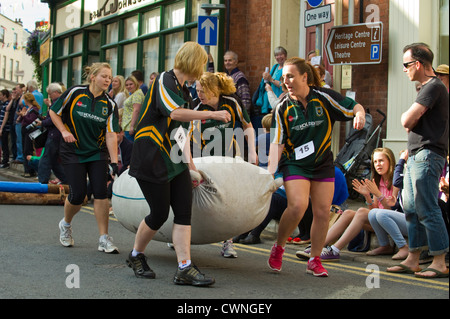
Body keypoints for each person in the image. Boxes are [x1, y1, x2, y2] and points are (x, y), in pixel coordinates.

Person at [126, 42, 231, 286]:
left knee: (184, 212)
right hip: (151, 157)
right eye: (202, 62)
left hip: (174, 160)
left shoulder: (185, 91)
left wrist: (192, 168)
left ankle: (184, 267)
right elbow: (174, 114)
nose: (203, 68)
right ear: (194, 62)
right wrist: (212, 114)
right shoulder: (165, 80)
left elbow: (181, 135)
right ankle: (135, 255)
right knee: (160, 213)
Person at [267, 57, 366, 277]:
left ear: (305, 77)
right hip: (295, 164)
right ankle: (279, 247)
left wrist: (359, 114)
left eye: (290, 76)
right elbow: (278, 142)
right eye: (284, 78)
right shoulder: (283, 106)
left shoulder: (323, 97)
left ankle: (315, 259)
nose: (286, 82)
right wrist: (271, 173)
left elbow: (353, 106)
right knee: (298, 206)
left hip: (322, 164)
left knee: (322, 212)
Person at [387, 43, 449, 278]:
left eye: (406, 64)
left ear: (419, 64)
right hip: (415, 156)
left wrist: (407, 117)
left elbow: (406, 121)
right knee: (411, 210)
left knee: (427, 208)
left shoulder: (433, 87)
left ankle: (440, 261)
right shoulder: (427, 88)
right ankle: (413, 259)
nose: (404, 69)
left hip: (427, 155)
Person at [49, 62, 120, 254]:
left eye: (110, 77)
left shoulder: (110, 104)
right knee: (78, 195)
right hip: (72, 150)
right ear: (92, 77)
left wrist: (114, 162)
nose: (107, 80)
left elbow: (111, 134)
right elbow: (54, 112)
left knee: (101, 192)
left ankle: (104, 238)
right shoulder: (75, 93)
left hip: (97, 152)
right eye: (103, 76)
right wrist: (63, 131)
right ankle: (66, 224)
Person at [190, 72, 258, 257]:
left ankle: (227, 243)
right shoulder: (196, 107)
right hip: (203, 160)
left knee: (229, 200)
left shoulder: (231, 101)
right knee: (195, 200)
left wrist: (252, 151)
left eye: (203, 90)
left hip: (229, 158)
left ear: (215, 90)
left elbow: (248, 126)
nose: (199, 95)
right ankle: (181, 235)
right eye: (197, 90)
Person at [367, 150, 408, 260]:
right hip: (387, 218)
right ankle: (385, 245)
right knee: (372, 213)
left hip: (406, 219)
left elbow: (392, 208)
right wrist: (367, 195)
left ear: (390, 162)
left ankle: (403, 247)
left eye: (381, 161)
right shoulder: (377, 180)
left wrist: (378, 194)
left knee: (380, 214)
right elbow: (374, 208)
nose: (378, 164)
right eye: (375, 162)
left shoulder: (397, 179)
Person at [36, 83, 67, 185]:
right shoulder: (62, 102)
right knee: (54, 160)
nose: (49, 96)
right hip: (59, 135)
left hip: (54, 134)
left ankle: (43, 181)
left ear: (55, 92)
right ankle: (66, 179)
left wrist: (43, 122)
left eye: (50, 94)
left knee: (46, 159)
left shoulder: (57, 103)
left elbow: (54, 119)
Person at [254, 47, 288, 117]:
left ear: (285, 55)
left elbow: (285, 85)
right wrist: (265, 78)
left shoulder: (288, 68)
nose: (279, 57)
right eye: (276, 55)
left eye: (281, 54)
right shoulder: (275, 67)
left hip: (280, 101)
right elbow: (268, 82)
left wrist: (271, 79)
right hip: (269, 101)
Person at [18, 93, 41, 177]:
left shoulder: (34, 109)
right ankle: (27, 169)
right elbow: (22, 120)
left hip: (30, 131)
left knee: (28, 150)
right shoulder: (28, 108)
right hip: (24, 130)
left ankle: (29, 170)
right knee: (25, 149)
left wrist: (24, 116)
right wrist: (21, 115)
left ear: (27, 100)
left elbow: (30, 120)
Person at [122, 75, 145, 141]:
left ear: (135, 84)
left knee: (130, 149)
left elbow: (136, 110)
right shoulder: (133, 94)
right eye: (126, 85)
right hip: (127, 126)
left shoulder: (137, 94)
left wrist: (132, 126)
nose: (128, 86)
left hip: (130, 127)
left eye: (131, 84)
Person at [0, 89, 11, 168]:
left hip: (4, 128)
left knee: (4, 145)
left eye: (1, 95)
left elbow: (5, 117)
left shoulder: (7, 104)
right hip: (2, 127)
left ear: (4, 95)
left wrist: (1, 128)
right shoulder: (2, 104)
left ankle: (5, 161)